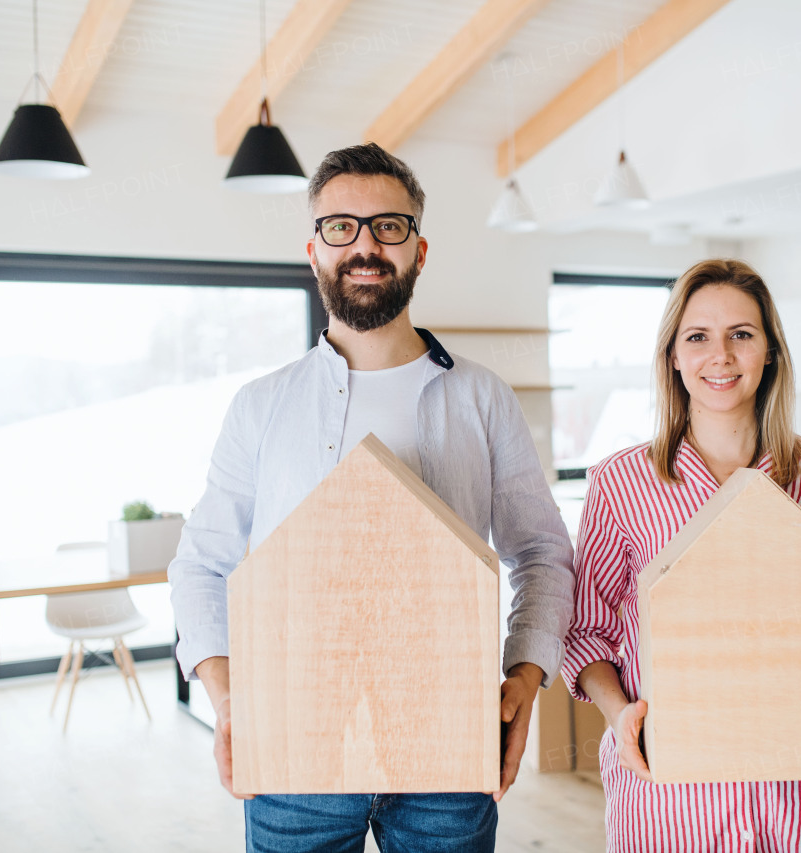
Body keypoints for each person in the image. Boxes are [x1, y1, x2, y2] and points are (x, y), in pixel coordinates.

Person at [168, 142, 574, 853]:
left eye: (388, 226)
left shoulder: (483, 398)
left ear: (419, 248)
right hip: (293, 746)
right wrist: (228, 696)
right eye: (340, 227)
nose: (364, 245)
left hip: (450, 744)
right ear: (313, 250)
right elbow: (202, 564)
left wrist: (527, 671)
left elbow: (541, 551)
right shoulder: (259, 407)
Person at [562, 258, 801, 852]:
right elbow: (587, 631)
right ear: (673, 356)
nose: (721, 356)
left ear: (769, 351)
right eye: (698, 337)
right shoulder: (622, 482)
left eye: (741, 335)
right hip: (668, 795)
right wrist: (620, 717)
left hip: (799, 795)